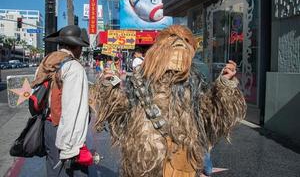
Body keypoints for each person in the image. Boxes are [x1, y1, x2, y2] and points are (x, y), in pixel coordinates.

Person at [93, 25, 246, 177]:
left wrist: (225, 84)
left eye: (184, 42)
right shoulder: (142, 80)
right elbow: (122, 110)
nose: (178, 45)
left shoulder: (193, 82)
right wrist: (110, 86)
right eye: (172, 41)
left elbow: (209, 114)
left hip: (180, 161)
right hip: (144, 161)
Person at [31, 25, 91, 176]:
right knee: (75, 172)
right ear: (76, 47)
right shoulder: (74, 68)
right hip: (64, 129)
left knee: (53, 169)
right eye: (80, 47)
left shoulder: (46, 62)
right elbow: (73, 109)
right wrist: (70, 146)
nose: (81, 50)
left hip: (47, 126)